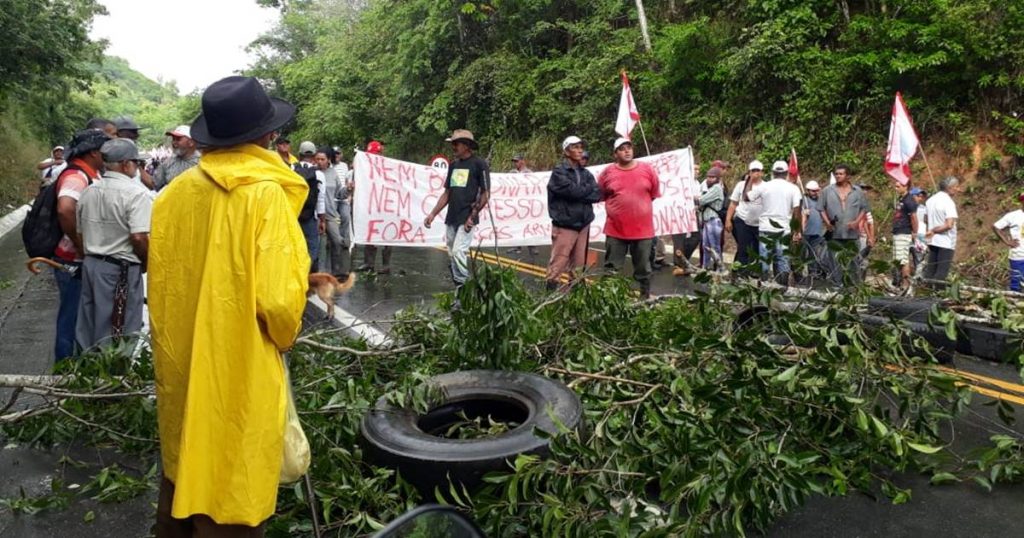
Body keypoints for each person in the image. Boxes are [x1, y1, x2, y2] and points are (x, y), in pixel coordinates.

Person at [149, 76, 309, 536]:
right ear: (267, 136)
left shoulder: (174, 195)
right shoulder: (264, 195)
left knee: (185, 460)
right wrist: (283, 338)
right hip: (240, 363)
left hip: (182, 360)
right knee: (232, 472)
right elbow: (279, 302)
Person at [75, 139, 152, 350]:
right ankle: (113, 377)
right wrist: (146, 262)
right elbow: (138, 237)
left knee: (90, 322)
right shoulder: (136, 194)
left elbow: (80, 233)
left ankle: (88, 372)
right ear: (126, 164)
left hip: (91, 264)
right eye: (136, 163)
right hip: (120, 269)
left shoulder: (89, 191)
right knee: (119, 329)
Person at [52, 129, 109, 360]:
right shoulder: (77, 176)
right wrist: (81, 245)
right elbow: (65, 209)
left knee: (81, 317)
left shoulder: (90, 173)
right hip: (72, 260)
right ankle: (64, 374)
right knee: (72, 318)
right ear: (94, 152)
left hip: (80, 258)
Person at [424, 129, 491, 296]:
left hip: (467, 217)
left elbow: (485, 193)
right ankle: (460, 287)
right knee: (451, 253)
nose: (453, 147)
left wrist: (472, 216)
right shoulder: (453, 165)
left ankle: (464, 290)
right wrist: (432, 214)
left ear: (466, 145)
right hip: (451, 217)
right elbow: (447, 193)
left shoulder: (479, 164)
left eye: (456, 144)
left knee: (458, 252)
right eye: (452, 144)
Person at [598, 137, 661, 299]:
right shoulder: (607, 172)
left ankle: (644, 297)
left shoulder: (647, 170)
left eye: (629, 147)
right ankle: (608, 301)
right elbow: (601, 194)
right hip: (615, 230)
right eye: (622, 148)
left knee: (644, 268)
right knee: (611, 268)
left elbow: (653, 194)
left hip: (643, 231)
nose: (627, 151)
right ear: (615, 154)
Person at [545, 136, 600, 291]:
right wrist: (584, 191)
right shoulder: (559, 172)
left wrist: (579, 192)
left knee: (578, 265)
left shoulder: (586, 173)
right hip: (565, 225)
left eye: (580, 147)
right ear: (566, 151)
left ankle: (575, 299)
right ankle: (549, 298)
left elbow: (597, 194)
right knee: (558, 263)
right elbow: (573, 192)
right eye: (575, 147)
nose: (579, 150)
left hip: (583, 224)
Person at [747, 160, 802, 284]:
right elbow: (797, 212)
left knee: (764, 259)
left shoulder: (764, 186)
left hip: (766, 227)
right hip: (784, 229)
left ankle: (764, 284)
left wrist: (750, 180)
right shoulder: (793, 188)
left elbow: (748, 197)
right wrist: (797, 231)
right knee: (783, 259)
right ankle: (782, 286)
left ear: (773, 172)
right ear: (786, 173)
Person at [819, 164, 869, 286]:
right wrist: (827, 223)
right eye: (836, 174)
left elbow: (864, 208)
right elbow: (821, 208)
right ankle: (837, 285)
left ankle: (853, 285)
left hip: (852, 233)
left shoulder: (857, 192)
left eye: (841, 174)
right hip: (835, 233)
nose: (838, 176)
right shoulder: (827, 190)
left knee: (853, 261)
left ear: (847, 176)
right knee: (834, 261)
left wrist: (857, 221)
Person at [724, 160, 765, 275]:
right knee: (743, 248)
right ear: (749, 172)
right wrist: (728, 220)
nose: (756, 173)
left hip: (759, 223)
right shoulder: (741, 185)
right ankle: (739, 273)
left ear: (762, 172)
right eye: (753, 170)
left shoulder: (766, 187)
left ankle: (754, 272)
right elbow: (733, 203)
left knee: (757, 250)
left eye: (758, 170)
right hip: (742, 221)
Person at [316, 147, 351, 279]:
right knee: (317, 245)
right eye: (317, 159)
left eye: (322, 159)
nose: (319, 162)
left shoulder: (333, 173)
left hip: (330, 213)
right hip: (314, 215)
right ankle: (315, 273)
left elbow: (340, 194)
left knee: (337, 241)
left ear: (328, 160)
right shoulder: (311, 173)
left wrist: (348, 190)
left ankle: (337, 272)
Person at [359, 140, 393, 273]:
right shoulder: (365, 167)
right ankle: (368, 263)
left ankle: (386, 265)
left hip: (387, 204)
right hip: (371, 204)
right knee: (370, 231)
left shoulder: (390, 167)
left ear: (380, 153)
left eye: (374, 154)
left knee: (389, 233)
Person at [293, 140, 326, 271]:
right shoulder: (318, 174)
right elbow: (321, 200)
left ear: (299, 154)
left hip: (292, 216)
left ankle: (294, 275)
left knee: (294, 247)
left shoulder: (290, 169)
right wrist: (322, 220)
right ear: (314, 156)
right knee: (312, 247)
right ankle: (308, 277)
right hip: (310, 217)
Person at [922, 176, 961, 282]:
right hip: (946, 241)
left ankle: (926, 291)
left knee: (931, 268)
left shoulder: (930, 200)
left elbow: (925, 218)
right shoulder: (948, 202)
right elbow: (949, 225)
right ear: (950, 188)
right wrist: (935, 230)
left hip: (933, 240)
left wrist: (931, 230)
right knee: (942, 271)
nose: (958, 189)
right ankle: (938, 294)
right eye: (956, 187)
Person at [890, 180, 919, 291]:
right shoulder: (901, 199)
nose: (895, 188)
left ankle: (906, 285)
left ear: (905, 186)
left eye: (898, 186)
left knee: (903, 260)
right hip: (898, 231)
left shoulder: (909, 200)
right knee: (899, 260)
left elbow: (913, 217)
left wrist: (915, 232)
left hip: (904, 232)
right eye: (895, 186)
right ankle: (902, 283)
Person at [153, 125, 200, 191]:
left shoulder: (202, 162)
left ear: (191, 142)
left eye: (178, 139)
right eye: (173, 139)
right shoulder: (167, 163)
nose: (174, 143)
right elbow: (155, 184)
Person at [114, 117, 156, 190]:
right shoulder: (110, 160)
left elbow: (151, 184)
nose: (136, 135)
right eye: (131, 134)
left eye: (135, 134)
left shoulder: (133, 160)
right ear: (117, 134)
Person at [993, 193, 1024, 291]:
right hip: (1018, 255)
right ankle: (1014, 304)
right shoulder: (1014, 216)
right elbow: (996, 227)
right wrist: (1007, 241)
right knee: (1016, 283)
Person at [697, 166, 725, 270]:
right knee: (705, 246)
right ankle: (705, 268)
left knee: (715, 247)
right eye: (708, 177)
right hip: (707, 221)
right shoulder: (711, 188)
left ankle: (720, 269)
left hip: (714, 221)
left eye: (712, 177)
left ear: (717, 178)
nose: (709, 179)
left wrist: (697, 198)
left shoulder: (717, 188)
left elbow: (702, 200)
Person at [800, 180, 828, 282]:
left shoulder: (821, 201)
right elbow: (798, 215)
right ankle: (799, 274)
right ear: (808, 191)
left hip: (817, 233)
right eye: (813, 191)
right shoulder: (803, 201)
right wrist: (803, 213)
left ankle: (814, 273)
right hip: (805, 233)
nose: (815, 193)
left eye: (816, 191)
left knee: (815, 255)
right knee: (802, 254)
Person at [911, 187, 929, 279]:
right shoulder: (906, 207)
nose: (920, 198)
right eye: (918, 196)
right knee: (902, 259)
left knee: (919, 258)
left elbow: (926, 221)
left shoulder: (924, 208)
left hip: (920, 236)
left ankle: (918, 278)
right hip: (908, 234)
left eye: (922, 196)